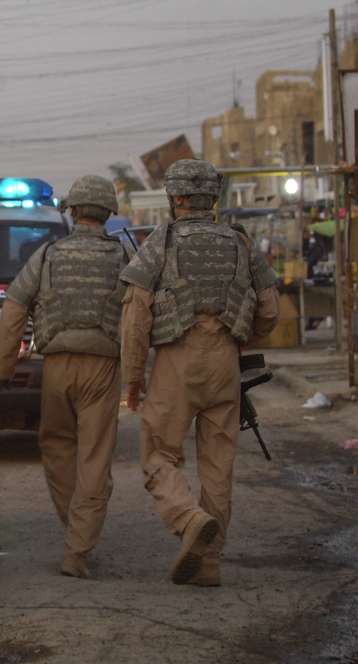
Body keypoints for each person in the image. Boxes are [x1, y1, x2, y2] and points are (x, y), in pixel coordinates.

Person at [119, 159, 280, 587]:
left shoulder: (162, 241)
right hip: (226, 361)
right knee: (218, 466)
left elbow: (136, 316)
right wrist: (239, 337)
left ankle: (189, 520)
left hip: (177, 360)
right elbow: (270, 309)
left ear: (175, 198)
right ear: (213, 197)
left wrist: (134, 377)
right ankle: (208, 562)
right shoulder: (241, 243)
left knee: (157, 455)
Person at [0, 175, 129, 579]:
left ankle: (76, 533)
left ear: (73, 210)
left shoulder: (48, 255)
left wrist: (1, 369)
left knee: (56, 447)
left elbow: (15, 306)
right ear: (107, 213)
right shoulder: (121, 258)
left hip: (56, 366)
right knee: (95, 458)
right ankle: (78, 547)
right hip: (103, 368)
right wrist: (139, 374)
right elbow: (140, 313)